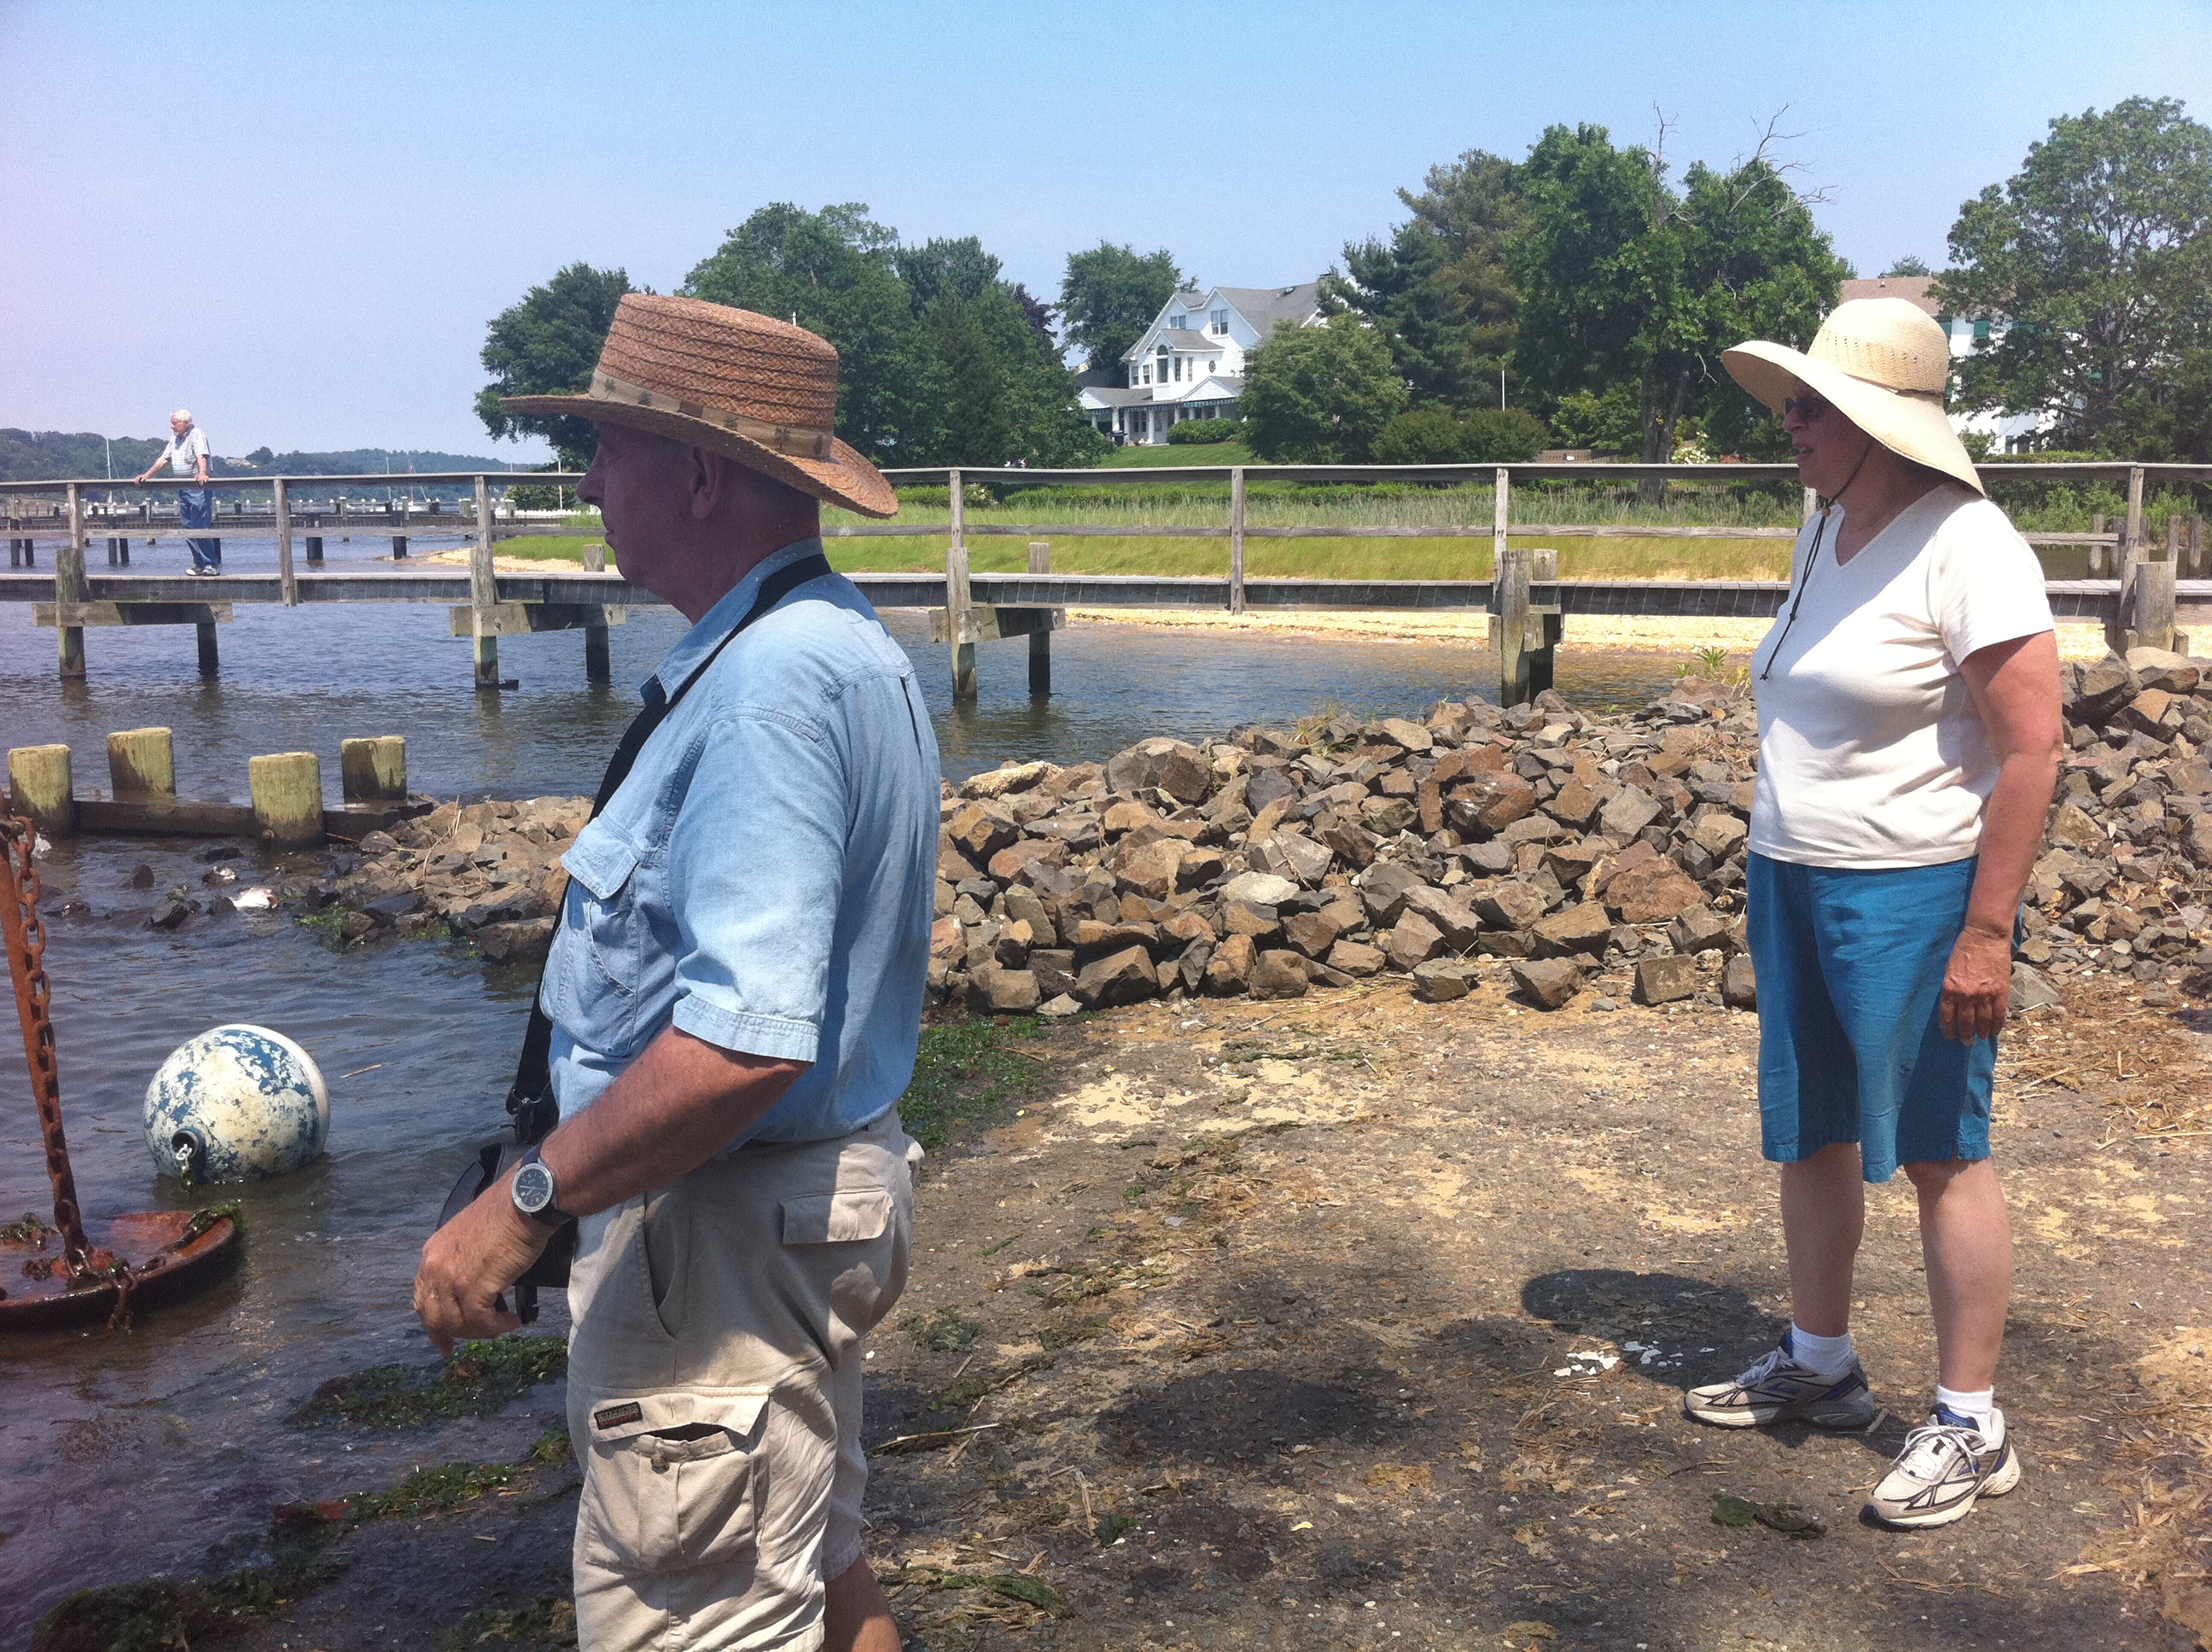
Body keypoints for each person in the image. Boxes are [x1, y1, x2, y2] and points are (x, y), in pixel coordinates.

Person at [413, 294, 939, 1650]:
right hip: (803, 1218)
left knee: (700, 1614)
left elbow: (742, 1045)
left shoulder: (767, 689)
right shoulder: (839, 643)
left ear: (700, 474)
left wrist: (526, 1202)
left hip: (721, 1247)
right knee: (821, 1563)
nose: (588, 482)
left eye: (606, 448)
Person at [1680, 298, 2062, 1531]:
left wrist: (1986, 933)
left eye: (1811, 408)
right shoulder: (1825, 522)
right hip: (1795, 873)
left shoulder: (1970, 543)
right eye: (1792, 404)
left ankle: (1970, 1422)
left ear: (1877, 423)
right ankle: (1822, 1361)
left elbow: (2033, 748)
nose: (1789, 425)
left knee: (1943, 1148)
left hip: (1915, 892)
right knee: (1814, 1131)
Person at [135, 409, 220, 574]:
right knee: (187, 527)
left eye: (175, 423)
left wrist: (203, 473)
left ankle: (211, 565)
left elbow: (202, 456)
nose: (172, 427)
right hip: (183, 487)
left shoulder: (197, 434)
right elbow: (164, 459)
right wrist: (147, 475)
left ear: (185, 423)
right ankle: (199, 564)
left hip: (198, 487)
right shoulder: (175, 439)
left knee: (200, 526)